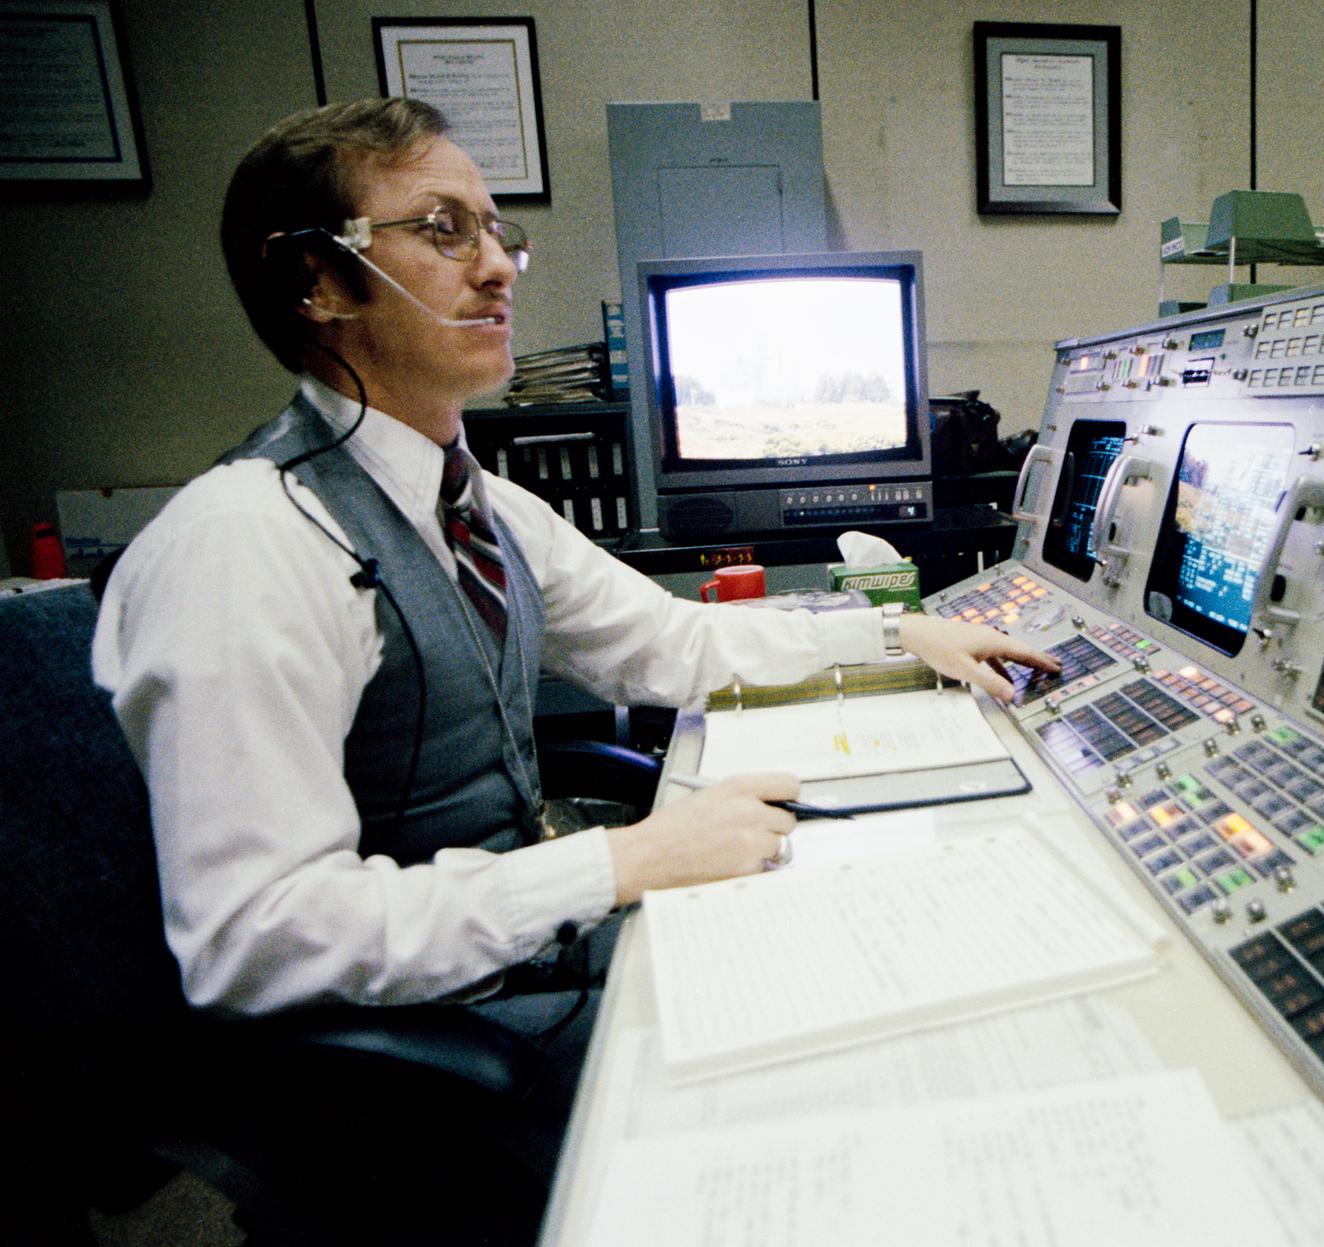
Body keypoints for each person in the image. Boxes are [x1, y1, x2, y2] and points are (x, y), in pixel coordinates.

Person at [91, 96, 1057, 1227]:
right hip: (423, 1049)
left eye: (499, 232)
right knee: (845, 1075)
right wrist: (619, 862)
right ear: (317, 279)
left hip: (515, 960)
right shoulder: (245, 543)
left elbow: (675, 638)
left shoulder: (473, 501)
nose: (498, 266)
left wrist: (897, 633)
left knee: (880, 952)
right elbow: (254, 938)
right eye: (444, 230)